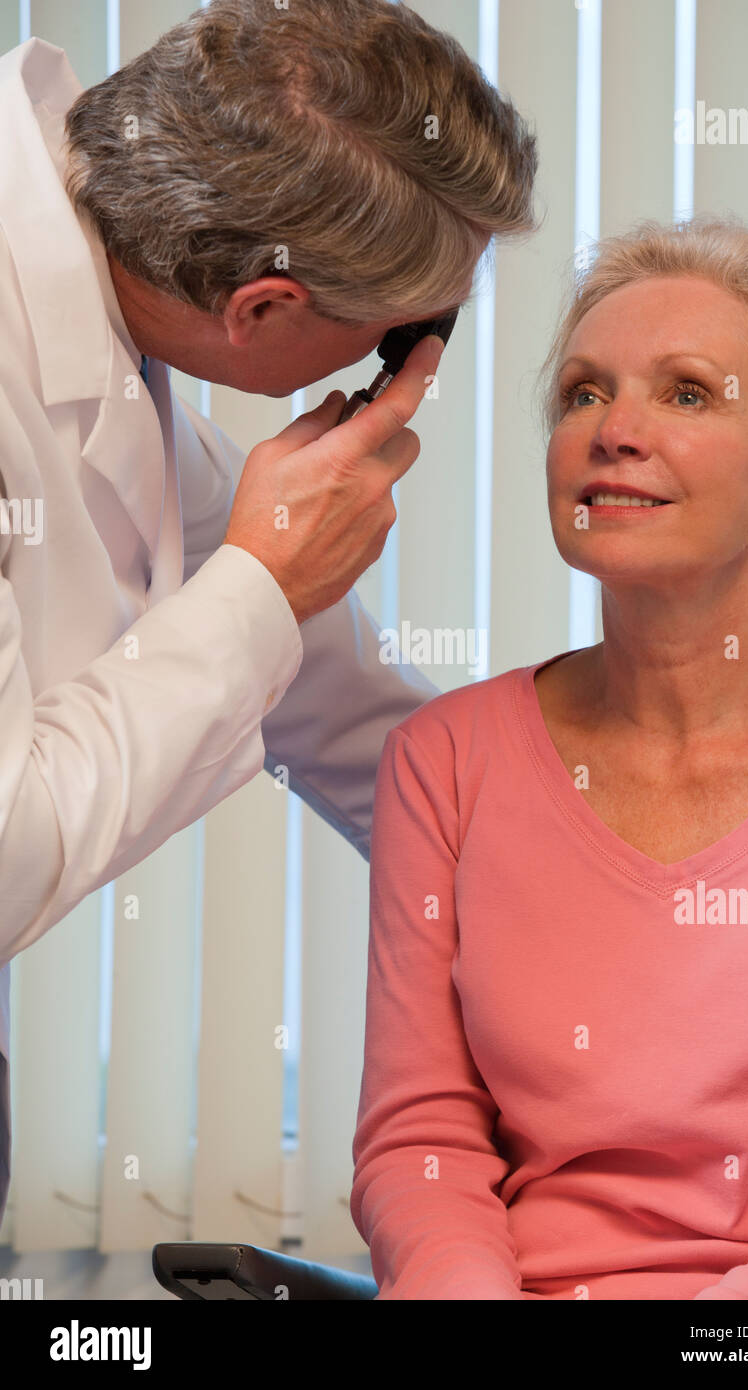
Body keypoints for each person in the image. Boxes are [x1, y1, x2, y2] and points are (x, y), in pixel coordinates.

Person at [0, 0, 538, 1224]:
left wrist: (551, 854)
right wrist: (264, 584)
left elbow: (329, 700)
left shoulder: (96, 295)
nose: (414, 371)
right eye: (408, 336)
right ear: (263, 310)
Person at [351, 214, 748, 1300]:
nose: (611, 428)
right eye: (583, 391)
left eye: (685, 392)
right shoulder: (443, 761)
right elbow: (421, 1147)